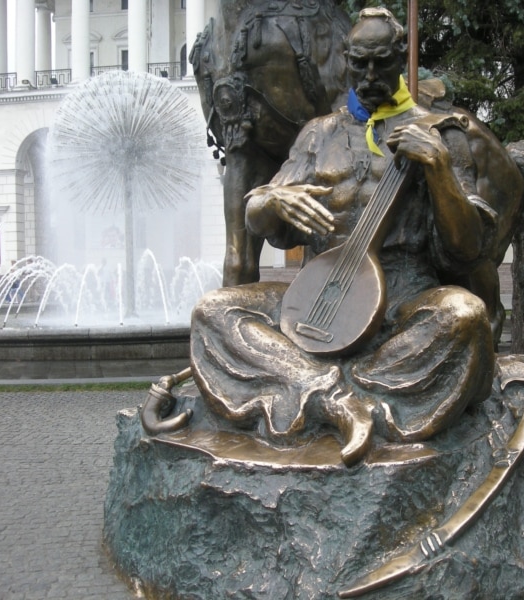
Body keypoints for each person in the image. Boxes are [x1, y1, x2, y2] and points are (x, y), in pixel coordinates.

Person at [188, 7, 497, 466]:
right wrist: (270, 202)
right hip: (316, 292)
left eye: (381, 63)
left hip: (402, 295)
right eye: (359, 64)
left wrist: (440, 171)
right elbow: (259, 215)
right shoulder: (318, 134)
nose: (368, 77)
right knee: (213, 311)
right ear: (346, 61)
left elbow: (468, 249)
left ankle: (309, 385)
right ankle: (334, 397)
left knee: (464, 315)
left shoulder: (441, 134)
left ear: (401, 59)